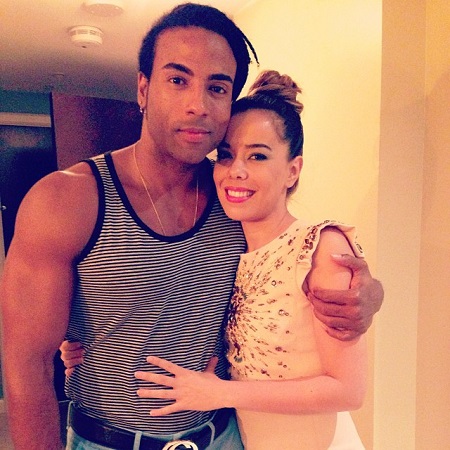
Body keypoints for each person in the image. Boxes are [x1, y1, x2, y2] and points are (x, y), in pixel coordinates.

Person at [0, 3, 382, 450]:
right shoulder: (67, 200)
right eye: (177, 80)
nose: (197, 105)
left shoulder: (233, 198)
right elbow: (27, 363)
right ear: (143, 89)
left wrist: (368, 293)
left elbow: (290, 263)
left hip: (224, 436)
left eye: (216, 88)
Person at [132, 70, 368, 449]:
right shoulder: (226, 245)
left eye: (257, 156)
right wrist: (85, 338)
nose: (236, 171)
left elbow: (348, 390)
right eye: (226, 155)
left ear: (292, 170)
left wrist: (219, 393)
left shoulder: (319, 248)